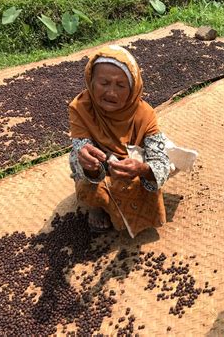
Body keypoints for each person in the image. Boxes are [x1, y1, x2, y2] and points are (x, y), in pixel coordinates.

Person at [69, 45, 171, 237]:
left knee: (155, 174)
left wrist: (141, 169)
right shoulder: (81, 107)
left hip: (133, 167)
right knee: (77, 159)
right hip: (102, 166)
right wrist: (89, 163)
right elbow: (81, 145)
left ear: (133, 88)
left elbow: (160, 163)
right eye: (104, 83)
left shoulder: (145, 114)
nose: (111, 93)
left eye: (121, 85)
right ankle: (96, 206)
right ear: (91, 82)